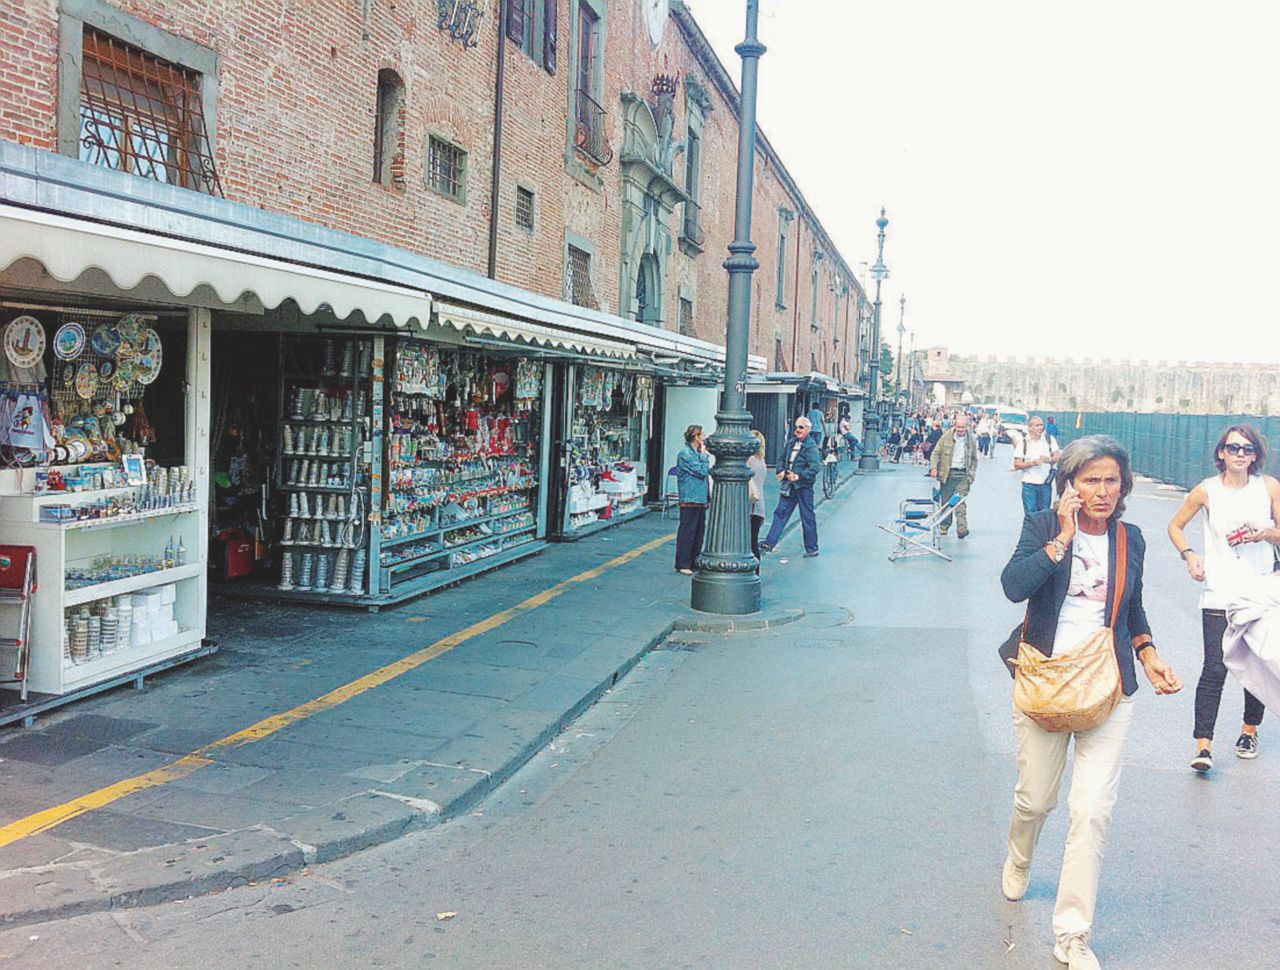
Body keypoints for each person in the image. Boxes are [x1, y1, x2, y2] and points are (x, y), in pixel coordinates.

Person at [1000, 436, 1182, 970]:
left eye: (1111, 480)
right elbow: (1013, 586)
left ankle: (1072, 934)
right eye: (1090, 480)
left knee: (1092, 811)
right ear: (1071, 485)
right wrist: (1062, 538)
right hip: (1047, 681)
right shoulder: (1042, 528)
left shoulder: (1132, 539)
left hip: (1109, 686)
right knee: (1036, 801)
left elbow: (1134, 610)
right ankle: (1019, 857)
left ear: (1123, 486)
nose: (1102, 491)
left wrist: (1149, 657)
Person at [1167, 424, 1280, 771]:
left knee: (1256, 664)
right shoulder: (1206, 491)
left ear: (1256, 455)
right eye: (1234, 448)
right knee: (1214, 668)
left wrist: (1264, 533)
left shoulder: (1269, 487)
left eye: (1247, 449)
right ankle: (1203, 746)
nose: (1241, 455)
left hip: (1260, 590)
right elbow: (1175, 526)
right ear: (1221, 453)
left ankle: (1249, 730)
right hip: (1219, 590)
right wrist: (1190, 555)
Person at [760, 416, 821, 558]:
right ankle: (770, 542)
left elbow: (814, 468)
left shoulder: (810, 446)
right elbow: (781, 459)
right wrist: (780, 470)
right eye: (796, 427)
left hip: (803, 487)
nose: (797, 430)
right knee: (780, 512)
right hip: (789, 484)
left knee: (807, 516)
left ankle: (812, 548)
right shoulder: (791, 443)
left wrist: (798, 476)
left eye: (801, 427)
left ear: (808, 430)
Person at [929, 412, 977, 538]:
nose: (961, 430)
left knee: (960, 502)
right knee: (946, 502)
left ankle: (962, 529)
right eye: (959, 427)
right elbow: (936, 453)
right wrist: (933, 468)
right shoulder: (946, 437)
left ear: (967, 426)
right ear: (954, 426)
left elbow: (974, 459)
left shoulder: (971, 439)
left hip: (963, 474)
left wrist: (971, 474)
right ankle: (944, 525)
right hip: (948, 474)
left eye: (963, 427)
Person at [674, 424, 709, 575]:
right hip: (690, 497)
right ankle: (682, 563)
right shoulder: (685, 454)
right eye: (702, 435)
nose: (704, 438)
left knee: (698, 531)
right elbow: (702, 471)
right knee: (687, 531)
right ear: (696, 437)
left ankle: (694, 560)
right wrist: (704, 455)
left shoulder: (694, 453)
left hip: (700, 498)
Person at [1014, 416, 1061, 515]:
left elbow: (1057, 456)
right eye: (1037, 425)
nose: (1040, 428)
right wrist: (1032, 463)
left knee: (1045, 512)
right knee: (1031, 514)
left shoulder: (1049, 440)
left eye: (1041, 425)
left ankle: (1042, 530)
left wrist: (1049, 460)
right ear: (1030, 428)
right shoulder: (1023, 443)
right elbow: (1017, 464)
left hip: (1045, 483)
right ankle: (1032, 530)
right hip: (1029, 484)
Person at [747, 430, 768, 572]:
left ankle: (754, 571)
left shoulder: (750, 461)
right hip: (759, 506)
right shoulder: (761, 461)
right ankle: (756, 571)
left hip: (751, 506)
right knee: (753, 540)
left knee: (750, 542)